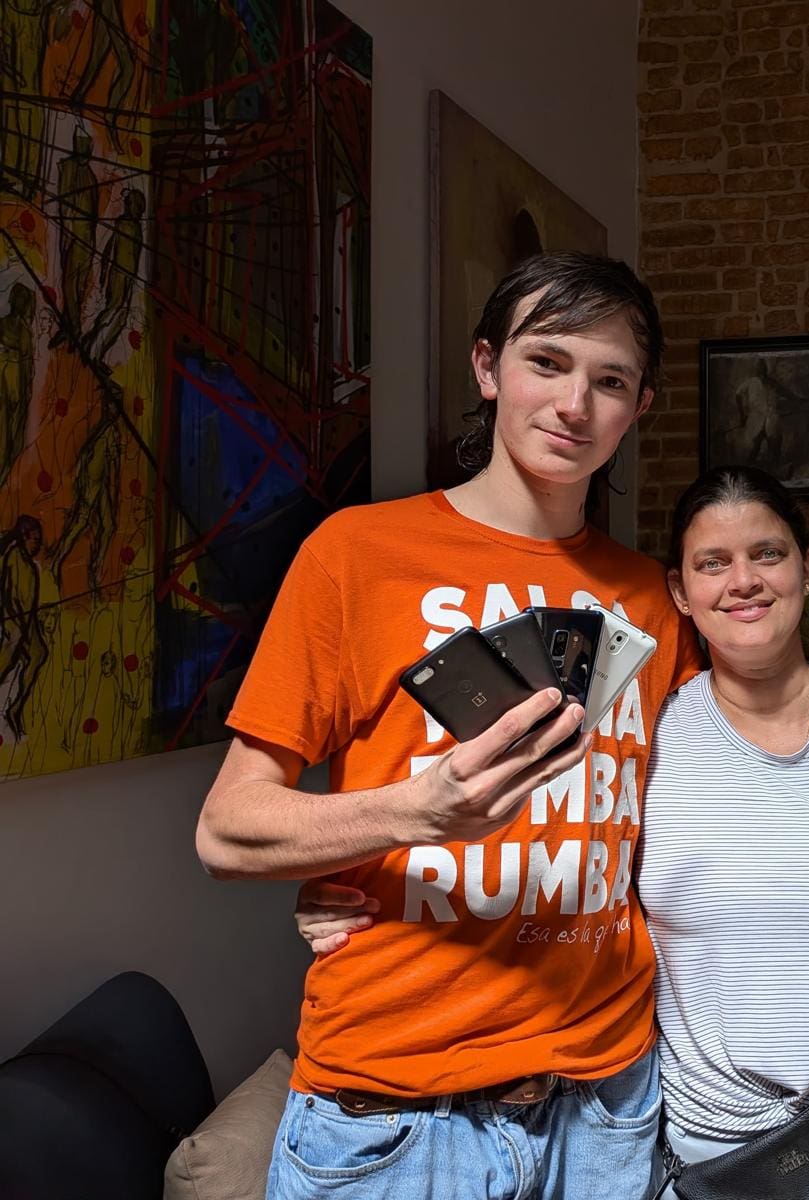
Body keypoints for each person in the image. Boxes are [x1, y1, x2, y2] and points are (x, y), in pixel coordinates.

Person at [195, 252, 703, 1200]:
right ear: (487, 367)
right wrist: (409, 816)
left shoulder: (655, 601)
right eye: (546, 362)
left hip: (606, 1105)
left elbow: (723, 793)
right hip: (394, 1113)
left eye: (610, 381)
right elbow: (225, 830)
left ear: (638, 407)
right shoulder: (357, 555)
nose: (574, 404)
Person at [295, 466, 809, 1193]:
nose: (744, 581)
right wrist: (357, 880)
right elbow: (558, 838)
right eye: (713, 563)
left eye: (768, 553)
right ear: (679, 593)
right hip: (704, 1148)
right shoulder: (652, 726)